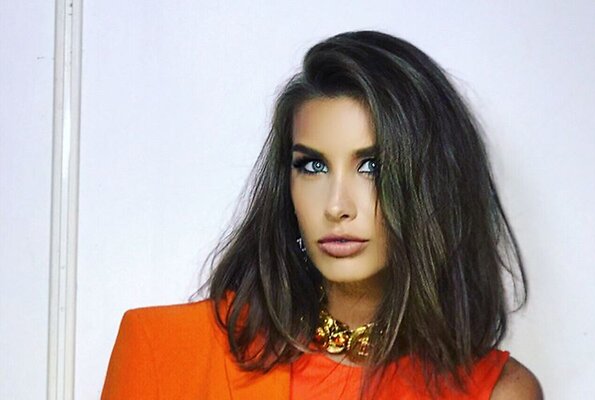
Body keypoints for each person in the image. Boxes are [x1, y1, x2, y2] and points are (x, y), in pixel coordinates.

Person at [101, 30, 543, 399]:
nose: (335, 206)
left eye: (372, 166)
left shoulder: (498, 392)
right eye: (313, 166)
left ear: (434, 185)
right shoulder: (163, 350)